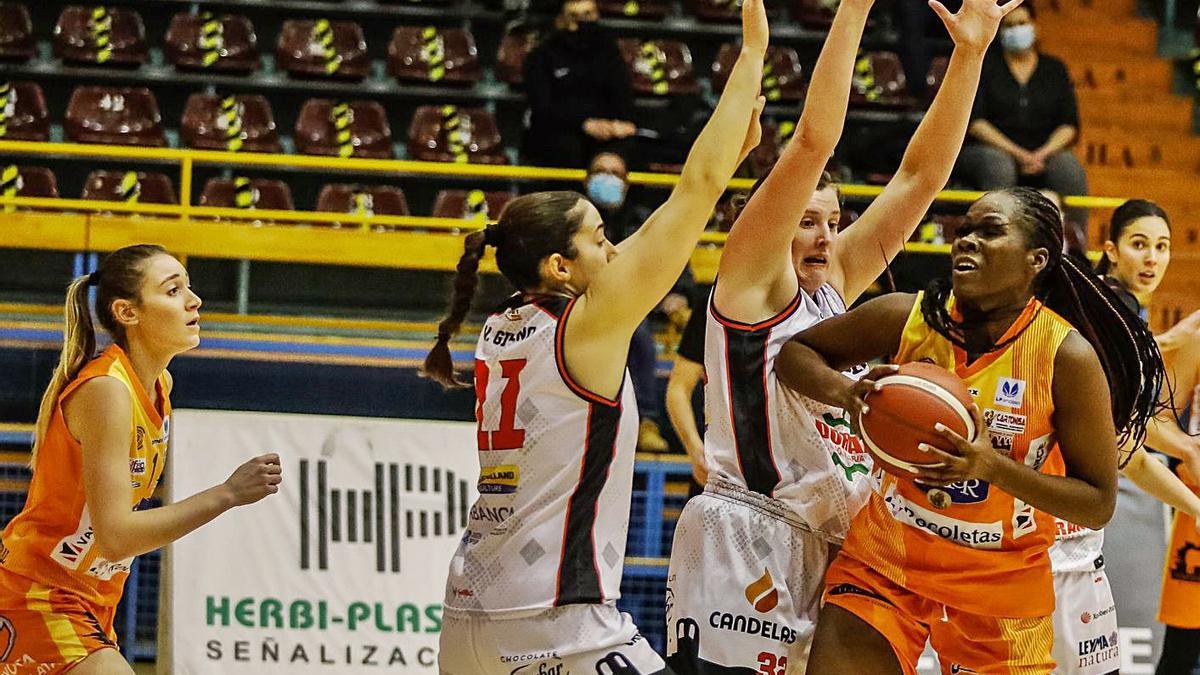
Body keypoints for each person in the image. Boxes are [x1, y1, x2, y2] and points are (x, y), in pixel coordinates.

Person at [663, 0, 1015, 669]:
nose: (826, 233)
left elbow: (920, 178)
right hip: (749, 532)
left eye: (834, 218)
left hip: (836, 542)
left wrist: (969, 55)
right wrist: (854, 9)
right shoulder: (751, 284)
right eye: (807, 219)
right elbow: (811, 143)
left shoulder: (834, 288)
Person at [423, 0, 768, 669]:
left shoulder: (500, 325)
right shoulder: (586, 325)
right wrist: (753, 49)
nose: (614, 253)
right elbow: (695, 189)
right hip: (555, 621)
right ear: (559, 266)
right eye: (600, 239)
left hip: (467, 613)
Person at [777, 188, 1164, 673]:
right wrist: (847, 395)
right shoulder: (910, 317)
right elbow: (796, 354)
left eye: (990, 231)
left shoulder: (1067, 357)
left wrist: (990, 466)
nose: (968, 241)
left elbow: (1097, 501)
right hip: (889, 559)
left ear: (1036, 260)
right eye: (964, 231)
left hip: (999, 581)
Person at [0, 245, 282, 672]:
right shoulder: (106, 390)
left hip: (93, 598)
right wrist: (227, 493)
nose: (194, 300)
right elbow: (116, 535)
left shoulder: (158, 384)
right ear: (127, 312)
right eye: (173, 291)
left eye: (189, 287)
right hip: (40, 592)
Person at [1048, 200, 1200, 675]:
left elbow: (1132, 430)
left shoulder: (1117, 312)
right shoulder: (1114, 316)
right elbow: (1126, 448)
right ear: (1111, 250)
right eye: (1139, 245)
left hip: (1068, 533)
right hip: (1050, 530)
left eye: (1162, 247)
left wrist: (1186, 451)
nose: (1152, 258)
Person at [584, 151, 694, 452]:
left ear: (627, 183)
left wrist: (678, 294)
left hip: (636, 305)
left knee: (640, 335)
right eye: (600, 171)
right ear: (587, 179)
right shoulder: (574, 222)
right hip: (586, 304)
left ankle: (646, 422)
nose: (607, 177)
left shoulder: (641, 219)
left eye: (615, 173)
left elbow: (673, 256)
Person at [956, 2, 1090, 229]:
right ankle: (995, 235)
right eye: (1009, 25)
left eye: (1022, 23)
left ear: (1034, 26)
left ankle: (1076, 247)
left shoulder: (1054, 69)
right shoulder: (986, 66)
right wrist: (1019, 155)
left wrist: (1041, 154)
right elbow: (976, 123)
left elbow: (1069, 124)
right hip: (991, 150)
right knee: (999, 165)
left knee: (1069, 168)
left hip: (1043, 152)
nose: (1016, 29)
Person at [521, 0, 637, 169]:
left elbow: (622, 94)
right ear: (561, 20)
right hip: (561, 132)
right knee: (566, 148)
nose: (583, 22)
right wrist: (584, 124)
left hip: (606, 131)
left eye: (588, 14)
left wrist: (619, 124)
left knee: (630, 150)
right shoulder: (541, 56)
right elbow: (543, 107)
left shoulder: (608, 51)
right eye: (575, 17)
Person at [1156, 338, 1200, 675]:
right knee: (1182, 654)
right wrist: (1188, 450)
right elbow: (1156, 421)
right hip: (1196, 506)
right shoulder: (1198, 340)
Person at [665, 293, 707, 490]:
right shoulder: (716, 302)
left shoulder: (813, 307)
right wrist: (694, 447)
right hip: (723, 467)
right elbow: (679, 388)